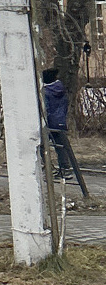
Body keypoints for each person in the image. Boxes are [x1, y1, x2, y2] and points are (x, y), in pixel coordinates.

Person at [42, 68, 89, 196]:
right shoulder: (61, 89)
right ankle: (65, 169)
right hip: (60, 121)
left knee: (41, 145)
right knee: (61, 147)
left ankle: (49, 168)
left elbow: (45, 108)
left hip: (48, 122)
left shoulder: (45, 92)